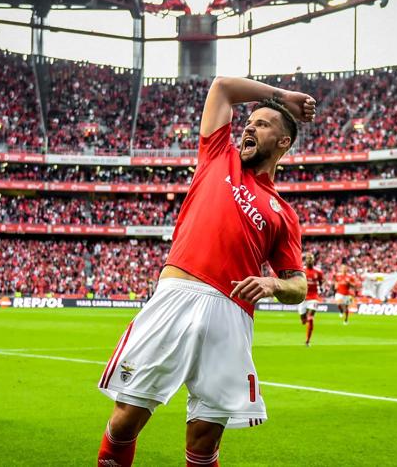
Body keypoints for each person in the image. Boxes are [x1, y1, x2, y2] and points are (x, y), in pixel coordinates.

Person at [95, 77, 316, 467]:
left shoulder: (284, 214)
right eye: (250, 121)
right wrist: (281, 97)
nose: (250, 126)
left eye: (263, 124)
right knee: (125, 420)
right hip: (176, 297)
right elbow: (222, 88)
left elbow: (299, 285)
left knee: (203, 440)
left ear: (283, 143)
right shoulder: (218, 156)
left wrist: (273, 282)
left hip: (231, 314)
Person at [297, 252, 324, 346]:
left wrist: (322, 288)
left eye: (311, 258)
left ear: (314, 260)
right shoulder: (301, 271)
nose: (310, 260)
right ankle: (304, 319)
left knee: (311, 318)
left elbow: (321, 281)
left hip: (314, 297)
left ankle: (307, 341)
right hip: (303, 297)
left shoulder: (318, 271)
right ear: (306, 260)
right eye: (308, 259)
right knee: (303, 320)